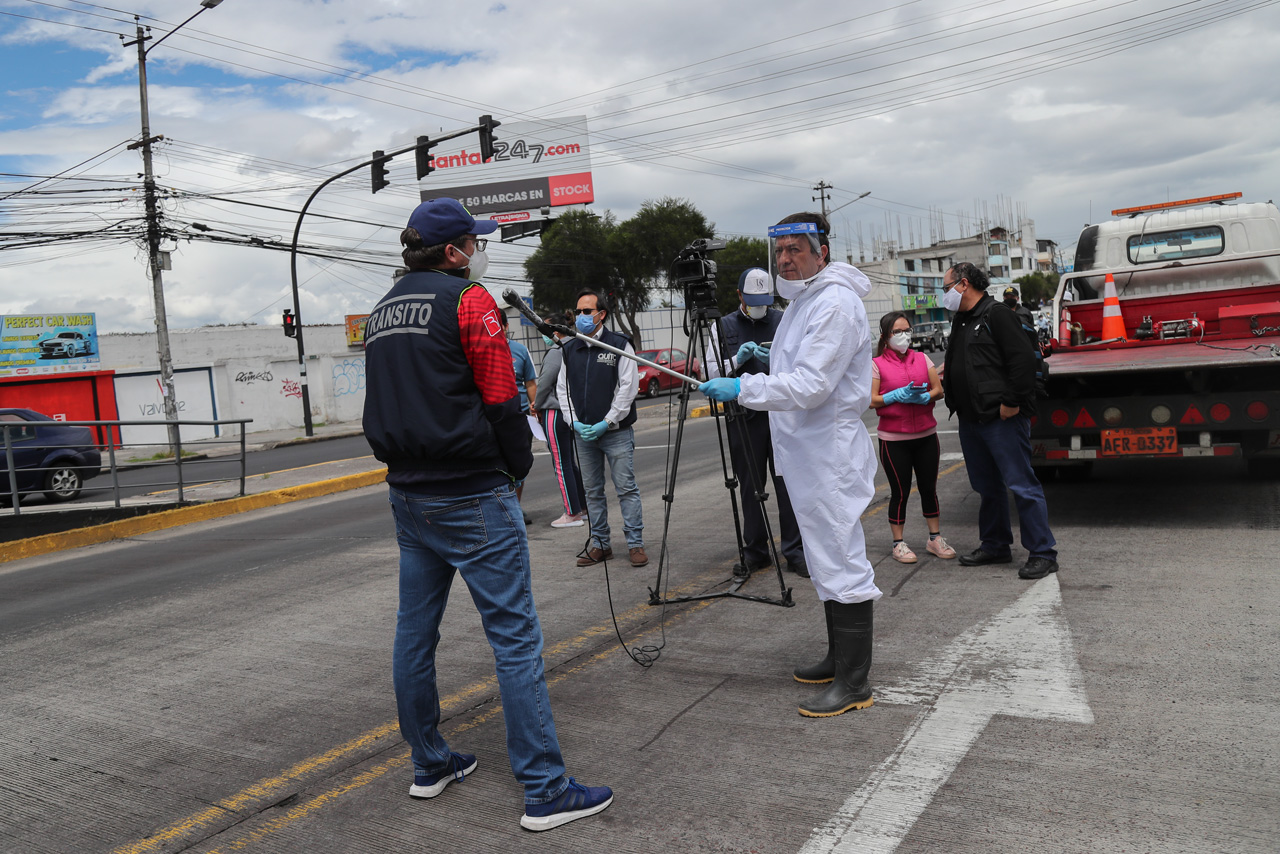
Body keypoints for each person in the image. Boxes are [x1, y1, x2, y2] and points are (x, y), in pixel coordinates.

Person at [362, 197, 612, 831]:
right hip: (472, 490)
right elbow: (502, 396)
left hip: (408, 495)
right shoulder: (469, 300)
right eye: (474, 241)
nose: (479, 249)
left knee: (414, 634)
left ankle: (429, 762)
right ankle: (545, 788)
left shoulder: (383, 309)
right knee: (516, 640)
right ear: (452, 252)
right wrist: (515, 470)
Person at [699, 212, 879, 718]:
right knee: (824, 557)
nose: (785, 259)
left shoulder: (836, 304)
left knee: (841, 557)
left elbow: (810, 385)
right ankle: (837, 657)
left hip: (829, 454)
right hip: (806, 453)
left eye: (796, 249)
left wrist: (744, 387)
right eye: (780, 251)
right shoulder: (805, 301)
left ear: (821, 251)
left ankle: (854, 681)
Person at [942, 262, 1059, 580]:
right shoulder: (963, 320)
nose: (945, 295)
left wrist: (1011, 403)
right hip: (971, 420)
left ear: (963, 284)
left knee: (1022, 484)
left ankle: (1043, 552)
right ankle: (995, 544)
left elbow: (1021, 360)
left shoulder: (996, 314)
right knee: (986, 487)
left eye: (946, 287)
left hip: (1001, 419)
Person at [707, 267, 808, 578]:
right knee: (751, 485)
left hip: (781, 415)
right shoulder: (720, 326)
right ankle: (755, 551)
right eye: (753, 300)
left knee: (787, 483)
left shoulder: (784, 320)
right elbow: (710, 373)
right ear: (739, 296)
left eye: (764, 300)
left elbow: (801, 365)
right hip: (744, 418)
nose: (759, 306)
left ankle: (795, 550)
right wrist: (737, 359)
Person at [556, 289, 648, 568]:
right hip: (584, 434)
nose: (581, 317)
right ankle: (600, 544)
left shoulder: (619, 344)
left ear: (601, 314)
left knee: (626, 488)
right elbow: (563, 390)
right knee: (592, 491)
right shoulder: (570, 348)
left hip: (616, 432)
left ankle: (635, 544)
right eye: (578, 311)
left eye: (587, 311)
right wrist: (575, 424)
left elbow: (628, 388)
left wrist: (606, 422)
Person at [869, 312, 955, 564]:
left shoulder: (922, 358)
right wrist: (894, 396)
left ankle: (934, 538)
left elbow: (938, 389)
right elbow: (871, 400)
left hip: (926, 435)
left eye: (907, 330)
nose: (905, 335)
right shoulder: (876, 364)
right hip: (894, 440)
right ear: (886, 337)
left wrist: (926, 397)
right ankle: (898, 543)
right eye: (898, 331)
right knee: (900, 491)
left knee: (929, 488)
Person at [534, 318, 587, 528]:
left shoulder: (556, 352)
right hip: (569, 410)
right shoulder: (574, 348)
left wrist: (537, 405)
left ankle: (571, 513)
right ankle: (581, 508)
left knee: (561, 463)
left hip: (554, 411)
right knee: (569, 462)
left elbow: (545, 382)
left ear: (555, 331)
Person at [498, 311, 538, 523]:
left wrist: (535, 408)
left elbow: (530, 383)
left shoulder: (520, 351)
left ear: (505, 326)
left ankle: (515, 509)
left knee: (519, 465)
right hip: (494, 419)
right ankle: (499, 510)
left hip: (521, 418)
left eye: (498, 324)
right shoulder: (481, 351)